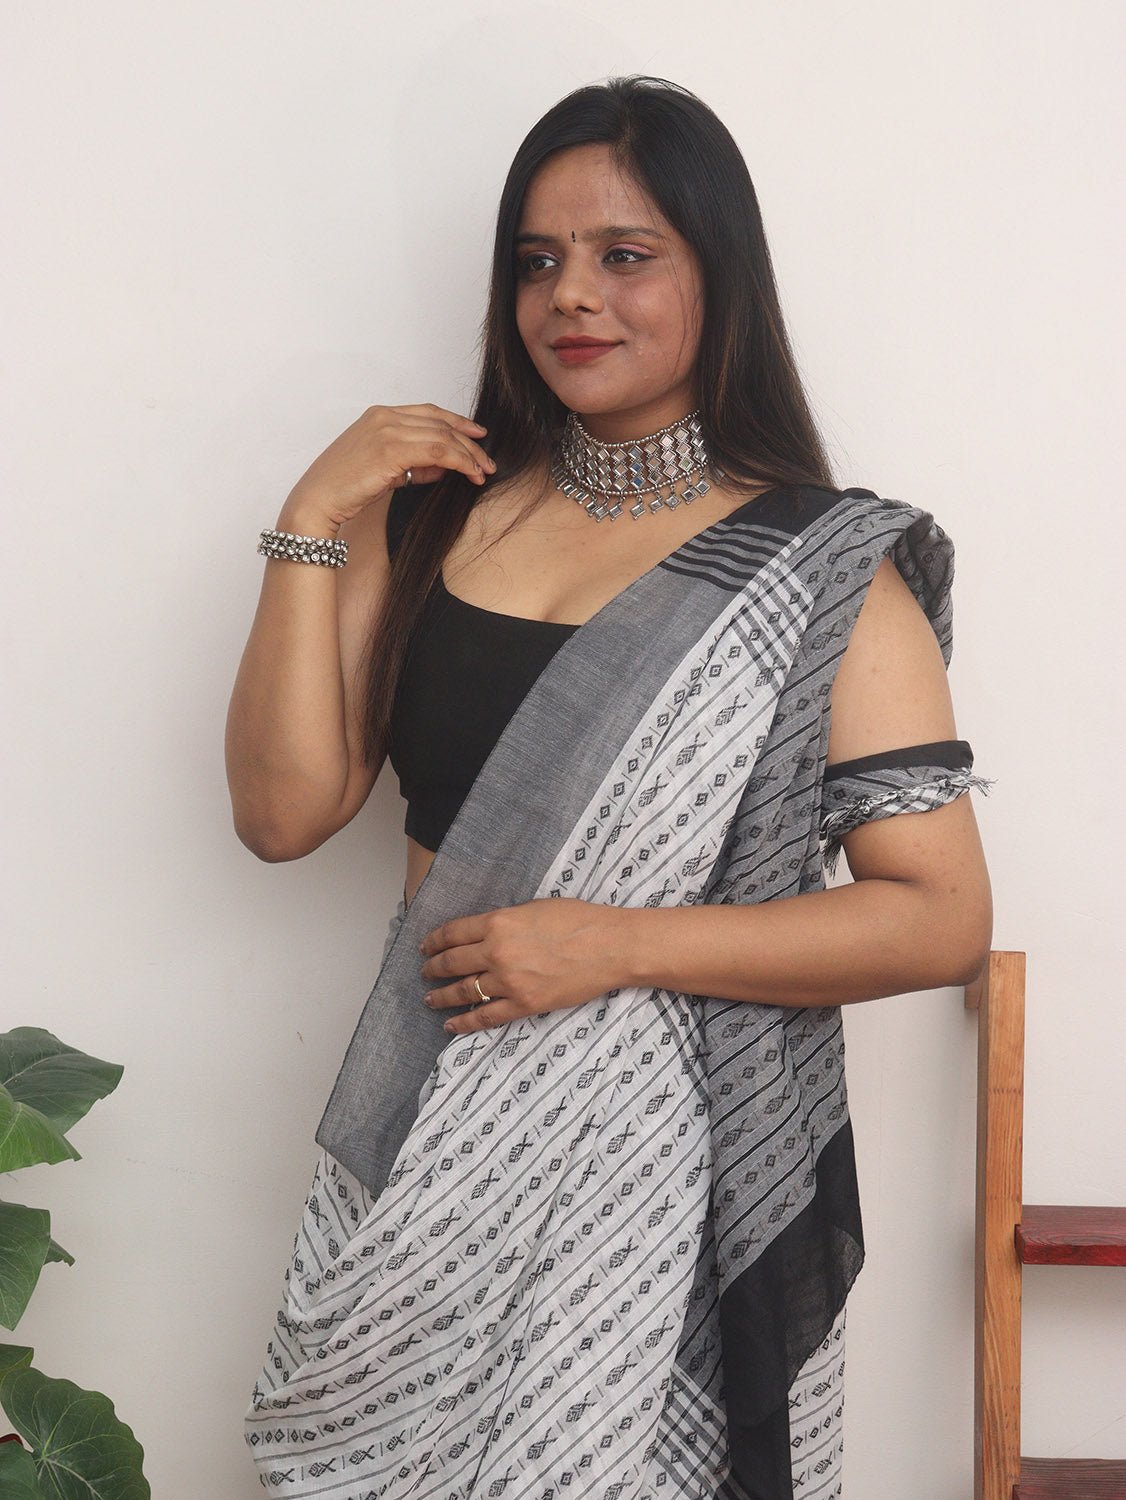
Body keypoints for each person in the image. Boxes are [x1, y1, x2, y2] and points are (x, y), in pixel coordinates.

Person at [228, 75, 992, 1500]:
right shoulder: (434, 515)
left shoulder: (820, 572)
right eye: (537, 261)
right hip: (424, 1125)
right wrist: (309, 518)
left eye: (623, 255)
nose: (570, 296)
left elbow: (935, 917)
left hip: (651, 1163)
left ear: (721, 278)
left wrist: (613, 944)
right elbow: (282, 815)